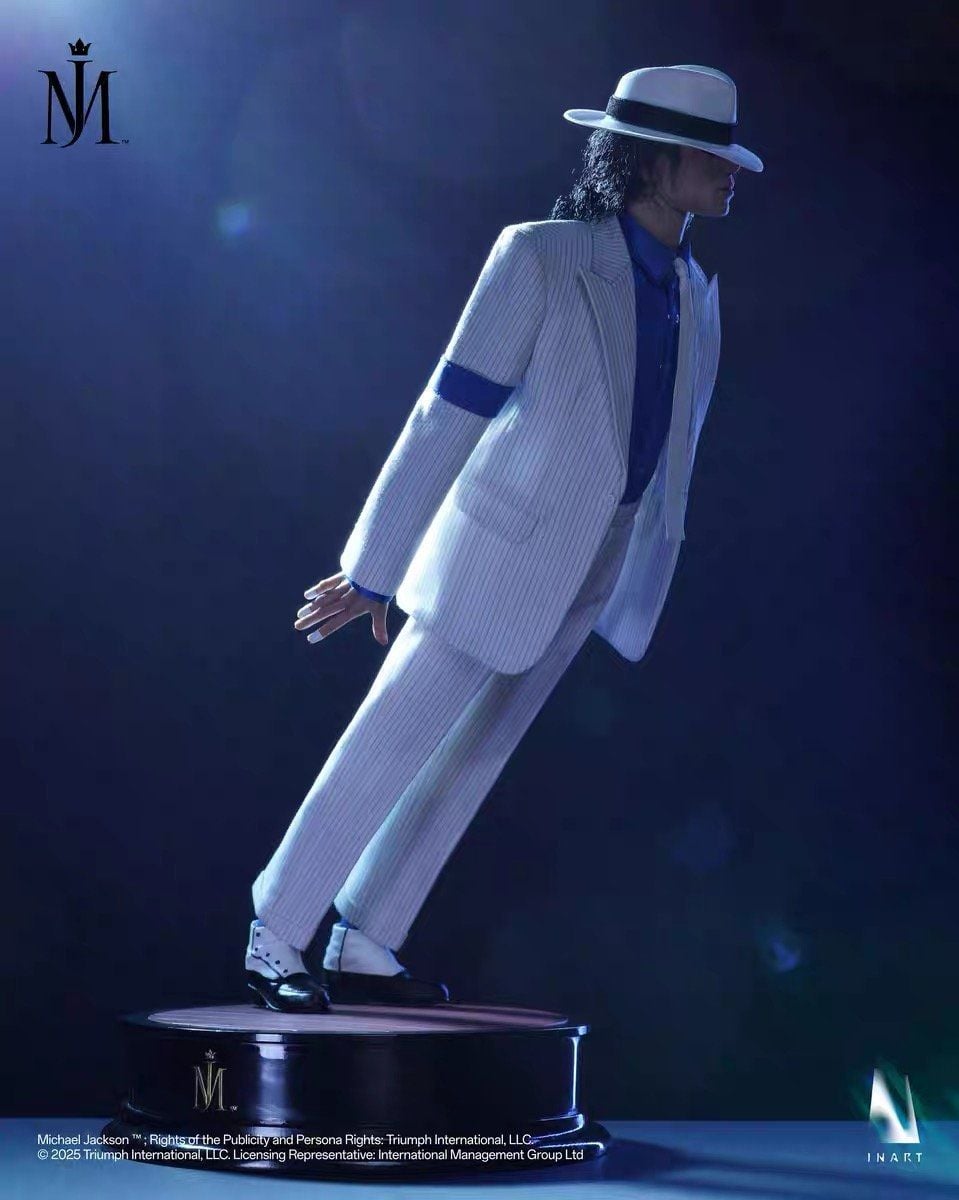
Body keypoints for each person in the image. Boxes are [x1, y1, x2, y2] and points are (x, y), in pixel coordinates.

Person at [244, 64, 764, 1012]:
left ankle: (366, 936)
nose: (731, 172)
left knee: (476, 757)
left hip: (597, 558)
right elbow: (449, 410)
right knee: (391, 738)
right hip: (495, 547)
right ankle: (276, 930)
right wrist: (375, 568)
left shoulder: (694, 289)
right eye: (711, 155)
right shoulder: (540, 257)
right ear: (653, 161)